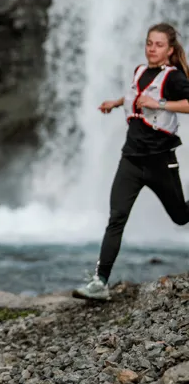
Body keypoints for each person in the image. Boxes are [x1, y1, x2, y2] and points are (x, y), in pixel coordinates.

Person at [73, 22, 189, 302]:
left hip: (160, 162)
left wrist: (159, 105)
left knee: (181, 217)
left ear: (170, 50)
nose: (152, 48)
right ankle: (100, 282)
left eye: (159, 44)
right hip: (132, 161)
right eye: (149, 42)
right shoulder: (140, 71)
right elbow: (136, 98)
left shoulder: (173, 77)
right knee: (116, 218)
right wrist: (114, 103)